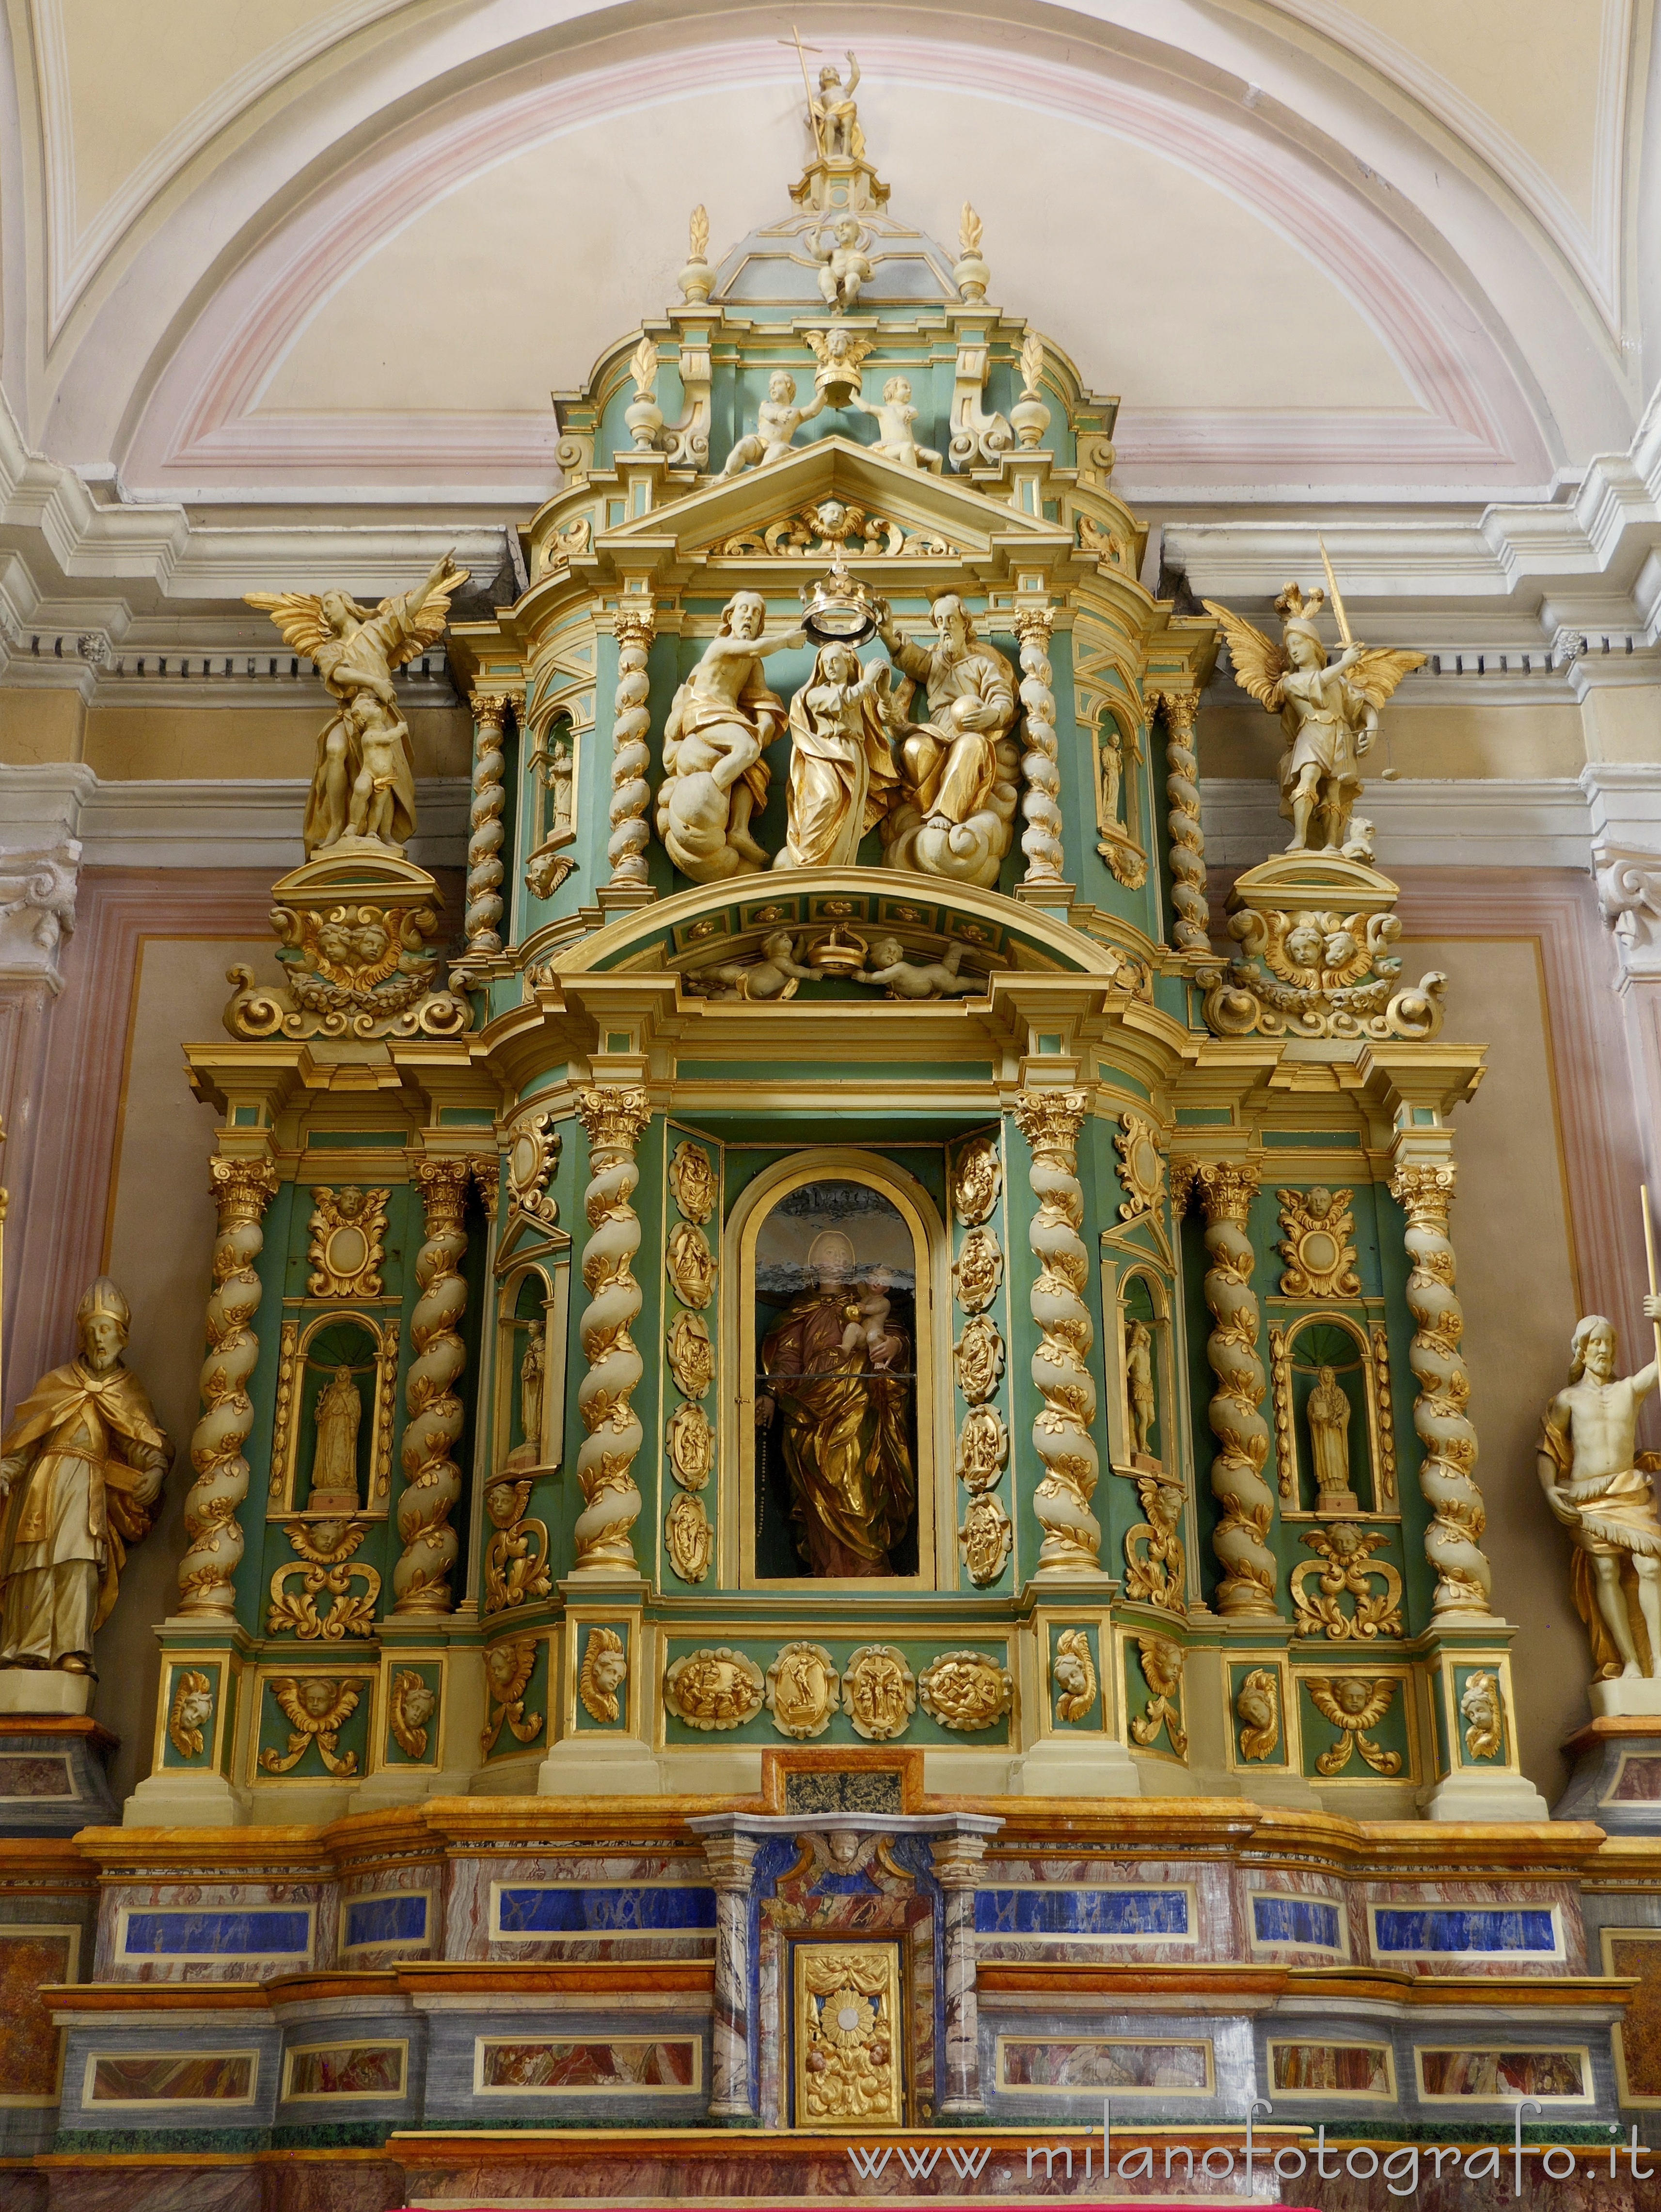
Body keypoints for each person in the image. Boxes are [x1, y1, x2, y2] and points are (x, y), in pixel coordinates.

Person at [0, 1278, 170, 1673]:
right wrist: (7, 1470)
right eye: (92, 1329)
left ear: (122, 1336)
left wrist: (157, 1469)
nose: (99, 1339)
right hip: (44, 1483)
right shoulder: (55, 1383)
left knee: (78, 1562)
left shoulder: (127, 1390)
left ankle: (71, 1649)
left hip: (87, 1489)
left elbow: (141, 1440)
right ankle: (25, 1647)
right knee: (33, 1563)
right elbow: (25, 1442)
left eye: (106, 1329)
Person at [756, 1230, 914, 1577]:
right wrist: (770, 1395)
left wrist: (894, 1347)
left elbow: (891, 1331)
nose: (838, 1257)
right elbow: (787, 1359)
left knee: (859, 1476)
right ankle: (829, 1566)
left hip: (858, 1401)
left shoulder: (863, 1302)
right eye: (830, 1251)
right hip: (810, 1406)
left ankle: (869, 1566)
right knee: (820, 1487)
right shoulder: (801, 1309)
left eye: (845, 1252)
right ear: (814, 1262)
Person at [1539, 1306, 1661, 1678]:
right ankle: (1629, 1662)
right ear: (1581, 1349)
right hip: (1586, 1497)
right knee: (1605, 1571)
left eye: (1609, 1343)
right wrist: (1548, 1489)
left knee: (1650, 1565)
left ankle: (1657, 1659)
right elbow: (1548, 1448)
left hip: (1627, 1490)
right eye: (1596, 1342)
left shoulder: (1629, 1389)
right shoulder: (1567, 1400)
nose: (1604, 1350)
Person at [658, 590, 806, 880]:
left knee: (757, 771)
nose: (749, 617)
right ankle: (709, 794)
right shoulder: (721, 646)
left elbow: (761, 697)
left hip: (730, 719)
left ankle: (738, 829)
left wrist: (765, 724)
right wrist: (786, 641)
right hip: (704, 713)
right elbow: (754, 649)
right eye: (744, 611)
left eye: (756, 614)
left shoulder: (754, 662)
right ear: (730, 616)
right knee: (747, 750)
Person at [774, 641, 899, 869]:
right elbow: (842, 702)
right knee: (827, 798)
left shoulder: (863, 694)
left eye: (835, 661)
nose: (830, 666)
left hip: (854, 752)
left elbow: (888, 718)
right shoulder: (816, 694)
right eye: (825, 663)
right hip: (825, 752)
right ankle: (806, 860)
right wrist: (868, 682)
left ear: (848, 663)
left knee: (849, 814)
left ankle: (840, 866)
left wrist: (884, 693)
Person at [721, 370, 827, 476]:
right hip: (759, 443)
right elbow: (767, 413)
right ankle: (727, 474)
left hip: (777, 445)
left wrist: (821, 395)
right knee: (743, 446)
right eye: (770, 386)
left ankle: (759, 476)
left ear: (788, 386)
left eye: (776, 384)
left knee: (780, 450)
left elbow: (812, 411)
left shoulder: (796, 413)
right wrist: (778, 415)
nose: (772, 388)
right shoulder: (767, 405)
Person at [850, 376, 941, 471]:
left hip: (912, 449)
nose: (909, 391)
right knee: (906, 447)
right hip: (890, 448)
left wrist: (910, 415)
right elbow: (866, 408)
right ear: (893, 390)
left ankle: (930, 486)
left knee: (937, 458)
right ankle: (913, 484)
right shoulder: (883, 411)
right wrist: (854, 397)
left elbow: (915, 413)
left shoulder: (908, 410)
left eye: (910, 388)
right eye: (905, 387)